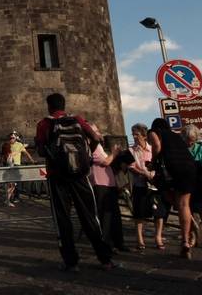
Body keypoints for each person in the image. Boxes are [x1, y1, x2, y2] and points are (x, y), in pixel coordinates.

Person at [35, 92, 116, 271]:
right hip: (80, 176)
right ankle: (105, 260)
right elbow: (97, 138)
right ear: (64, 106)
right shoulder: (78, 119)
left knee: (63, 219)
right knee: (90, 216)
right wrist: (86, 158)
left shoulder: (44, 124)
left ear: (49, 106)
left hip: (57, 177)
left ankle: (71, 263)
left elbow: (41, 150)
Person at [148, 117, 196, 259]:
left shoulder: (154, 131)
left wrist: (153, 162)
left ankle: (187, 235)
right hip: (190, 167)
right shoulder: (175, 136)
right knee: (184, 204)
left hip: (174, 169)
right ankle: (185, 241)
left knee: (168, 194)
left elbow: (156, 146)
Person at [128, 123, 168, 251]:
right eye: (133, 134)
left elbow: (159, 163)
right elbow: (131, 167)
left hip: (154, 185)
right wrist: (144, 174)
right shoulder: (131, 150)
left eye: (137, 134)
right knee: (139, 213)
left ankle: (158, 237)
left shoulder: (152, 149)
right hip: (140, 184)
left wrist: (153, 175)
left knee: (159, 212)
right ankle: (139, 238)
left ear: (144, 136)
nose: (134, 136)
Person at [89, 124, 128, 252]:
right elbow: (105, 161)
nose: (98, 132)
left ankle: (119, 242)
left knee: (115, 214)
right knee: (105, 216)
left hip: (109, 184)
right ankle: (107, 244)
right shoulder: (92, 147)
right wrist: (114, 153)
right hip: (100, 184)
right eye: (95, 130)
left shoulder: (99, 146)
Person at [5, 131, 34, 205]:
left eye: (13, 138)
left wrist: (31, 160)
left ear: (15, 138)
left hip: (17, 164)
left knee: (16, 182)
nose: (11, 139)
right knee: (10, 183)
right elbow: (4, 154)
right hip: (9, 165)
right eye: (10, 138)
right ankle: (9, 198)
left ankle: (16, 197)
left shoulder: (19, 145)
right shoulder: (7, 145)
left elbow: (26, 153)